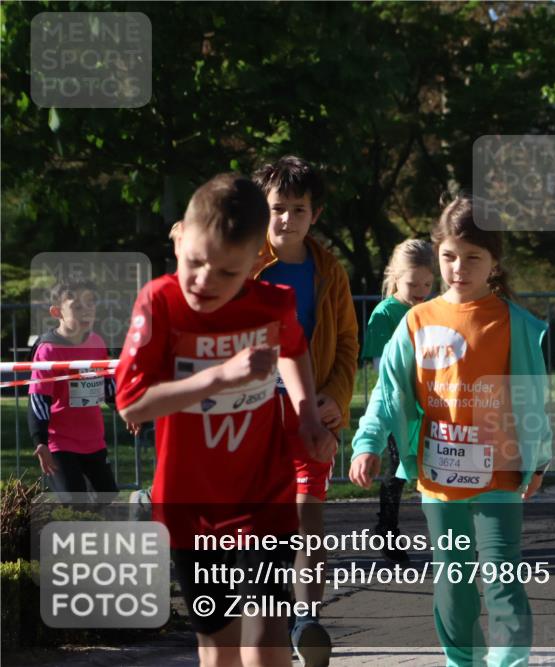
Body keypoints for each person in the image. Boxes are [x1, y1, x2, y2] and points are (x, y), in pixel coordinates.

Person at [116, 173, 335, 667]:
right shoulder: (159, 303)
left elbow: (294, 350)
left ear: (256, 258)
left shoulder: (272, 303)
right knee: (221, 644)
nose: (203, 281)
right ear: (179, 239)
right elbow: (131, 404)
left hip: (263, 493)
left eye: (226, 272)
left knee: (266, 638)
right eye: (194, 262)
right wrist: (219, 377)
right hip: (191, 506)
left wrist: (307, 418)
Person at [349, 196, 551, 667]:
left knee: (503, 579)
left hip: (500, 476)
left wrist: (538, 461)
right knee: (454, 581)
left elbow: (534, 401)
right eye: (449, 256)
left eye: (473, 257)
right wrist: (368, 444)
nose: (459, 268)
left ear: (494, 261)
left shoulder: (514, 324)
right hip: (440, 480)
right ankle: (463, 662)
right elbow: (387, 392)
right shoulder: (416, 321)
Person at [252, 156, 359, 667]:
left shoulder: (328, 270)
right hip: (252, 418)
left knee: (308, 522)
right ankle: (263, 617)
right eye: (278, 208)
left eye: (299, 209)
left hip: (312, 417)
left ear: (315, 214)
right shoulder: (242, 262)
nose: (287, 218)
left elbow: (346, 345)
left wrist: (336, 398)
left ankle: (307, 619)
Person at [360, 238, 436, 563]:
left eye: (428, 283)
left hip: (430, 402)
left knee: (436, 466)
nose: (420, 290)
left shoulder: (432, 309)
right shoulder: (386, 313)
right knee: (399, 467)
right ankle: (386, 528)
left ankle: (448, 533)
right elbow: (383, 367)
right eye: (413, 283)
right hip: (396, 403)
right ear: (395, 276)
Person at [28, 279, 118, 498]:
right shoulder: (48, 350)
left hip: (94, 440)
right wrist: (40, 441)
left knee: (110, 500)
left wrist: (123, 406)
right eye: (77, 307)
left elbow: (107, 381)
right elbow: (39, 398)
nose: (86, 311)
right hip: (60, 443)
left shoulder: (97, 342)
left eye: (90, 304)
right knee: (75, 503)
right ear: (56, 312)